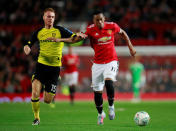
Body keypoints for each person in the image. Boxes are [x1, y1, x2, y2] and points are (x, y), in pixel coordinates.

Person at [53, 10, 136, 125]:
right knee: (97, 93)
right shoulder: (90, 30)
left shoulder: (112, 26)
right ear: (94, 21)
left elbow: (123, 33)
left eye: (101, 19)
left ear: (104, 19)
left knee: (109, 82)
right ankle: (100, 114)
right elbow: (75, 39)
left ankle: (111, 106)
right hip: (97, 64)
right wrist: (60, 40)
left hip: (111, 61)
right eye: (97, 20)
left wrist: (130, 47)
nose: (100, 22)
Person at [23, 8, 84, 125]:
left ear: (54, 19)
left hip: (54, 69)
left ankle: (55, 82)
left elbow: (74, 38)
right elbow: (29, 43)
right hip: (41, 66)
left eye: (52, 17)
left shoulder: (60, 30)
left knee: (47, 100)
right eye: (48, 16)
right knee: (35, 93)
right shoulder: (38, 32)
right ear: (43, 17)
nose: (50, 19)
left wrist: (78, 35)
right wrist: (27, 48)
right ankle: (36, 118)